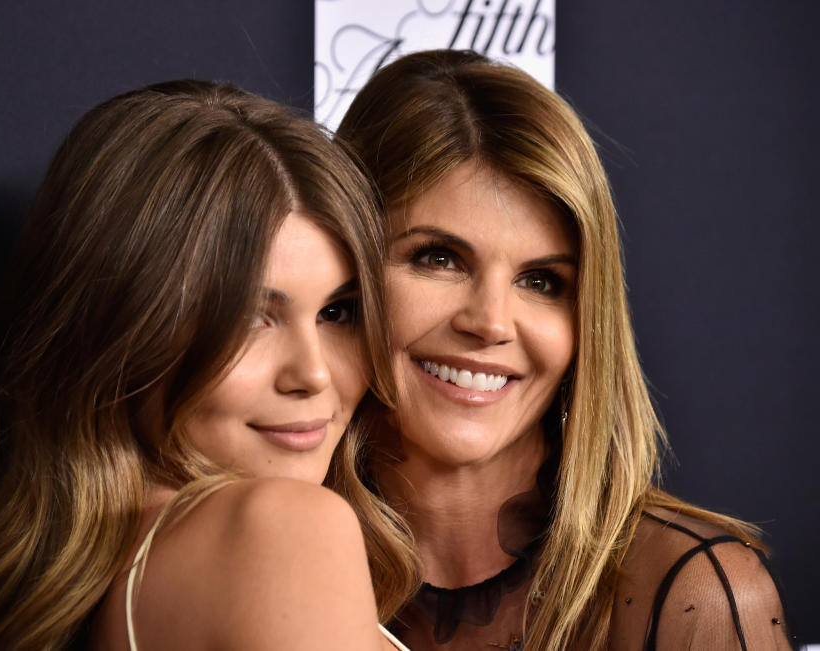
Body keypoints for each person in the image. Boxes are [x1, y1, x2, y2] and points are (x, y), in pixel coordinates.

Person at [336, 49, 793, 650]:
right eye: (438, 258)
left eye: (542, 281)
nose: (491, 322)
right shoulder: (243, 559)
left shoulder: (694, 593)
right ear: (344, 269)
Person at [0, 80, 417, 650]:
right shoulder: (284, 528)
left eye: (339, 312)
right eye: (249, 316)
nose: (314, 375)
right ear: (123, 329)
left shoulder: (125, 576)